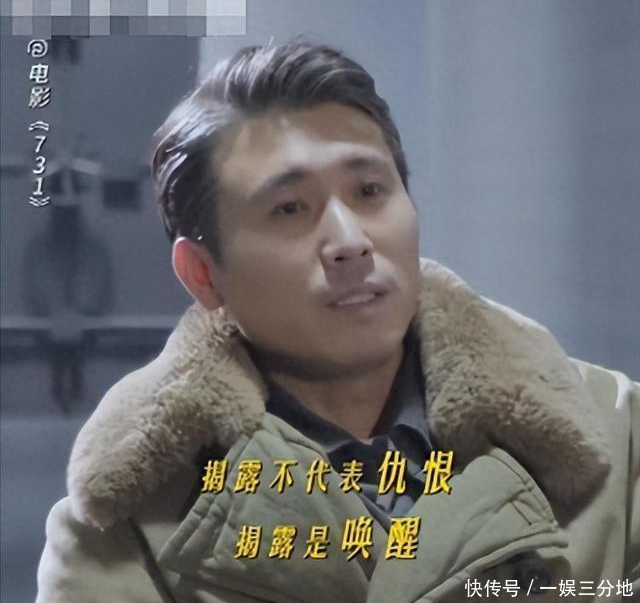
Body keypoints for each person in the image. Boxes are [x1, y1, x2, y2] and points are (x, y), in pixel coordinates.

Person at [36, 39, 638, 603]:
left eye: (370, 191)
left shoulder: (613, 433)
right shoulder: (128, 524)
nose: (349, 241)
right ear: (203, 274)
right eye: (288, 209)